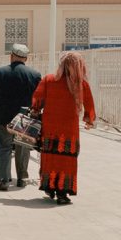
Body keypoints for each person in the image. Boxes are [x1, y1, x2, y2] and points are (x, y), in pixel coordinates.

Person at [31, 51, 96, 204]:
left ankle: (49, 186)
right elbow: (89, 105)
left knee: (50, 157)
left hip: (50, 129)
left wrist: (35, 109)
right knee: (67, 161)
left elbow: (37, 100)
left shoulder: (49, 80)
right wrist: (89, 120)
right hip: (69, 132)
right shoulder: (81, 84)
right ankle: (62, 193)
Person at [0, 43, 42, 191]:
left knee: (2, 147)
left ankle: (4, 179)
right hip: (25, 119)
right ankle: (22, 178)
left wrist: (0, 107)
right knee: (23, 147)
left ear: (11, 56)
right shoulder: (34, 75)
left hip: (2, 117)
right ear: (26, 58)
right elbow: (38, 98)